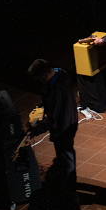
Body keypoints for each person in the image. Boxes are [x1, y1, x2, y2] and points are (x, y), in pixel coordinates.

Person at [27, 59, 79, 187]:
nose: (39, 81)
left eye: (38, 78)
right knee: (66, 153)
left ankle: (69, 186)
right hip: (69, 121)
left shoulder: (56, 90)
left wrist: (34, 131)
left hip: (63, 127)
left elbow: (52, 119)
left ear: (44, 75)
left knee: (66, 154)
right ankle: (68, 180)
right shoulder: (60, 73)